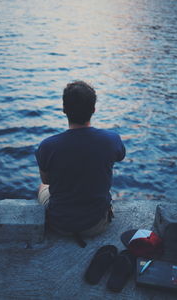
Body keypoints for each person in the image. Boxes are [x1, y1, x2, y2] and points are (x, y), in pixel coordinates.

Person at [35, 81, 125, 239]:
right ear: (94, 110)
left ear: (64, 110)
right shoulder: (112, 139)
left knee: (42, 186)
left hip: (59, 224)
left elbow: (47, 180)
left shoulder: (47, 146)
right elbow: (120, 156)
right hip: (97, 224)